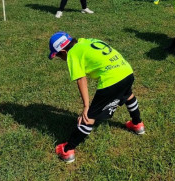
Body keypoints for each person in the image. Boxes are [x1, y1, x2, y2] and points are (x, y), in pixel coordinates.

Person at [49, 32, 145, 163]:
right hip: (127, 71)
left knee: (89, 117)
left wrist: (86, 107)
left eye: (59, 56)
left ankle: (68, 150)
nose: (61, 59)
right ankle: (137, 124)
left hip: (111, 80)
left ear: (63, 52)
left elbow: (81, 79)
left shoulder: (72, 54)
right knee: (127, 95)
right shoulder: (86, 41)